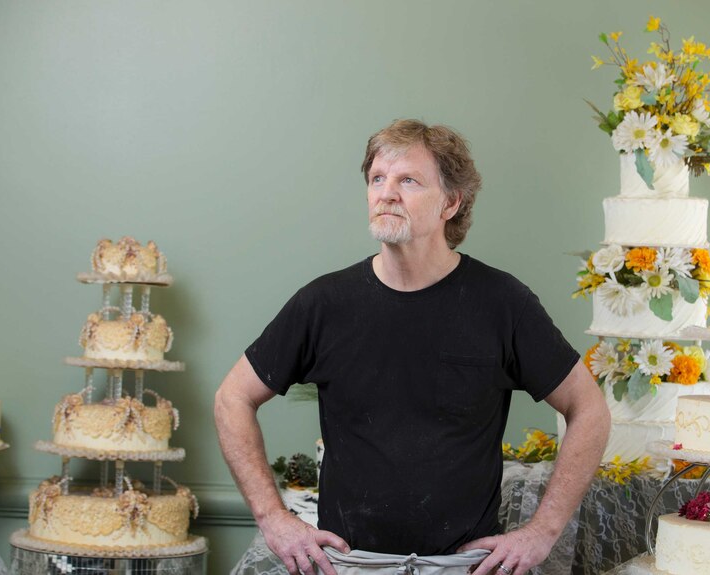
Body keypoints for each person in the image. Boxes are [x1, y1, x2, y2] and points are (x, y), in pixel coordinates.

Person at [215, 119, 610, 575]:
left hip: (461, 567)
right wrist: (273, 519)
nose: (386, 193)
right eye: (377, 179)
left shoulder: (503, 304)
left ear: (450, 202)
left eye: (408, 181)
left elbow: (589, 409)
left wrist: (541, 533)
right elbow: (232, 397)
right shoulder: (323, 303)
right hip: (347, 565)